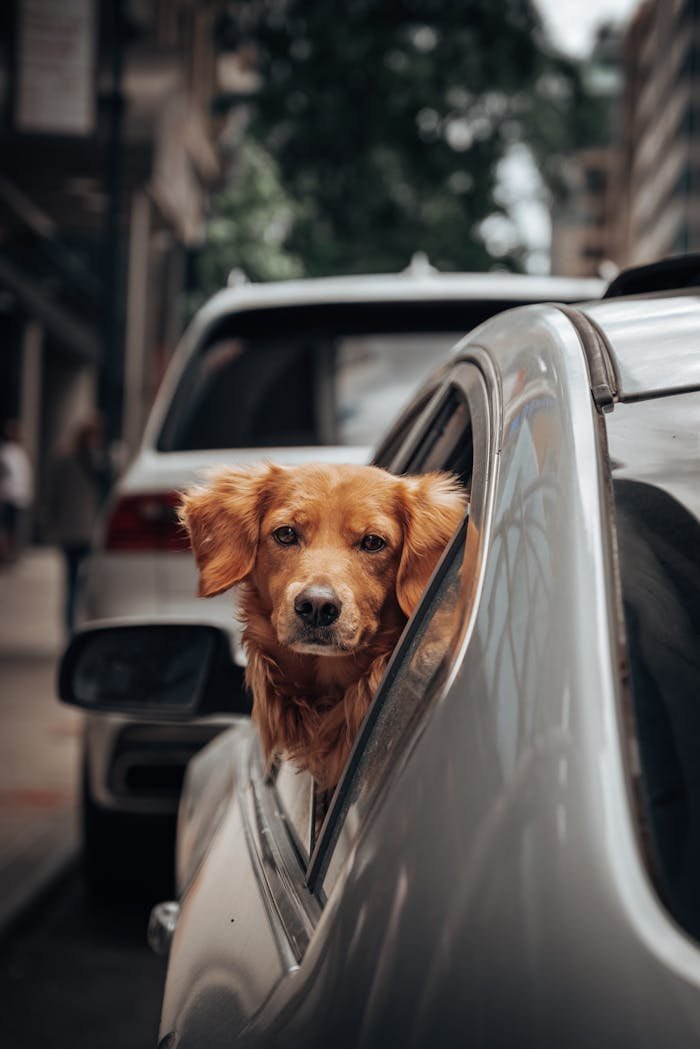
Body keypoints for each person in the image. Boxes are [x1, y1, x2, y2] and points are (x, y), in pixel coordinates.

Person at [42, 413, 113, 634]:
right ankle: (83, 626)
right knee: (86, 583)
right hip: (89, 531)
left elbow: (51, 496)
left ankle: (71, 627)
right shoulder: (99, 462)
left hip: (69, 531)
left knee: (72, 581)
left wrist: (50, 524)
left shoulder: (64, 461)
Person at [0, 419, 34, 564]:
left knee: (14, 528)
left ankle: (12, 554)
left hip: (20, 496)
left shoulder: (20, 452)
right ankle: (5, 555)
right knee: (6, 527)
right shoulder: (6, 452)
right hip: (9, 496)